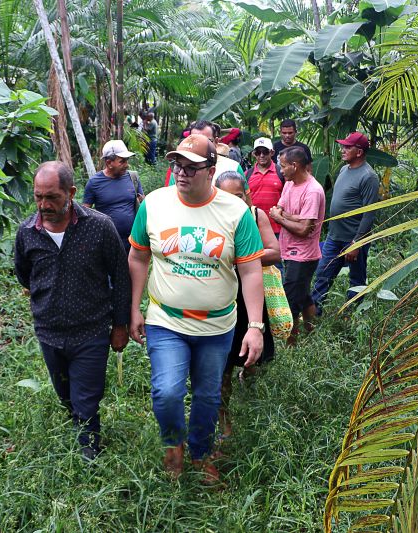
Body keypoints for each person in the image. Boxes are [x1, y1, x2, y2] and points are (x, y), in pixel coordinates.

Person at [128, 134, 265, 484]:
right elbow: (138, 256)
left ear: (211, 170)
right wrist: (134, 309)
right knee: (168, 391)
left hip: (218, 327)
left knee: (207, 395)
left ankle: (201, 453)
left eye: (192, 167)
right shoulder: (154, 204)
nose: (182, 173)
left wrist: (254, 326)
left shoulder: (236, 212)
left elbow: (250, 270)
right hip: (166, 320)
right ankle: (173, 444)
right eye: (178, 165)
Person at [14, 161, 131, 461]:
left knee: (87, 396)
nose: (44, 204)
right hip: (49, 330)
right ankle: (76, 419)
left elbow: (120, 276)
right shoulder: (27, 233)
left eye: (52, 196)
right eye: (38, 196)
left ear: (71, 192)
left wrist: (120, 325)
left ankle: (88, 449)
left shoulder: (99, 226)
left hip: (91, 329)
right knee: (64, 392)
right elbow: (24, 274)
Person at [214, 171, 280, 442]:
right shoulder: (211, 218)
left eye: (238, 196)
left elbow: (274, 251)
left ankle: (252, 391)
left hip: (250, 298)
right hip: (221, 299)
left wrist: (244, 256)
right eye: (226, 196)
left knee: (254, 358)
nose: (234, 201)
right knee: (223, 366)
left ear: (247, 195)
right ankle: (224, 421)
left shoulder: (255, 215)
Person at [309, 132, 380, 321]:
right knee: (323, 274)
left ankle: (354, 317)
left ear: (359, 152)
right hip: (334, 236)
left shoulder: (368, 176)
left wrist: (356, 243)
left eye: (347, 147)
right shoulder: (344, 169)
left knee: (356, 280)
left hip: (354, 239)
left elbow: (369, 213)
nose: (343, 150)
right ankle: (314, 313)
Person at [268, 146, 325, 343]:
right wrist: (291, 218)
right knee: (302, 294)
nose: (280, 170)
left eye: (283, 166)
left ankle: (290, 342)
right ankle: (311, 330)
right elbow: (280, 210)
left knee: (290, 299)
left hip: (303, 254)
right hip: (289, 250)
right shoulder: (290, 184)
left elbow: (304, 229)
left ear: (295, 165)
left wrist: (281, 218)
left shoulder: (313, 191)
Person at [83, 140, 145, 253]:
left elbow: (142, 204)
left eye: (127, 161)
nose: (127, 165)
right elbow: (85, 213)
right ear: (109, 163)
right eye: (122, 161)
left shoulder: (133, 177)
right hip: (106, 243)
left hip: (132, 242)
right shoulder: (94, 182)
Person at [164, 120, 246, 188]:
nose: (200, 146)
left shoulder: (233, 167)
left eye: (207, 141)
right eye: (195, 140)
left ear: (216, 141)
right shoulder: (179, 168)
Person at [245, 137, 284, 236]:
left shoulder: (282, 173)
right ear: (254, 154)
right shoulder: (247, 175)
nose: (261, 155)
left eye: (265, 152)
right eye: (258, 152)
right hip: (254, 228)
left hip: (278, 229)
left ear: (272, 152)